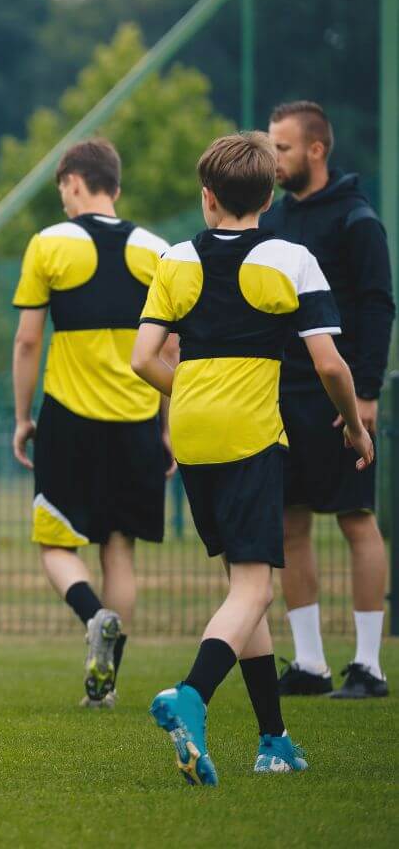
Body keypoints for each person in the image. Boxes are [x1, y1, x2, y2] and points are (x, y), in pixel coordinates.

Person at [132, 131, 373, 786]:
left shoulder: (176, 259)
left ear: (207, 197)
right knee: (255, 585)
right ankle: (191, 696)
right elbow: (328, 362)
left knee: (245, 589)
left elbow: (141, 358)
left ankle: (274, 739)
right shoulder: (291, 257)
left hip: (191, 429)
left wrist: (194, 394)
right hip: (249, 433)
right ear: (269, 194)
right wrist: (354, 424)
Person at [11, 139, 173, 708]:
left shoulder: (48, 245)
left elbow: (30, 339)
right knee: (119, 550)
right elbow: (171, 347)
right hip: (135, 422)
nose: (62, 198)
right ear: (117, 188)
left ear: (75, 182)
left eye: (62, 188)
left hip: (69, 419)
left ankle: (91, 615)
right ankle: (107, 687)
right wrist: (167, 426)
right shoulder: (157, 250)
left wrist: (21, 415)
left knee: (55, 543)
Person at [260, 101, 392, 699]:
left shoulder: (358, 218)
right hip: (281, 396)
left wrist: (363, 392)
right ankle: (310, 665)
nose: (272, 157)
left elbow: (376, 305)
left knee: (356, 520)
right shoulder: (275, 220)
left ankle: (369, 666)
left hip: (339, 396)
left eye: (282, 148)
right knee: (290, 525)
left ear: (316, 150)